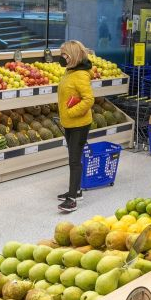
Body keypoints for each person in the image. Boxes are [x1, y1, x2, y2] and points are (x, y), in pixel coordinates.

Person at [56, 40, 95, 213]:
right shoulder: (70, 71)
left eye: (64, 54)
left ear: (73, 56)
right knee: (73, 157)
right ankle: (76, 190)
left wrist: (71, 113)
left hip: (79, 123)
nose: (61, 57)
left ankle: (72, 199)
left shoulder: (80, 75)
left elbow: (89, 99)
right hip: (69, 123)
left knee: (74, 160)